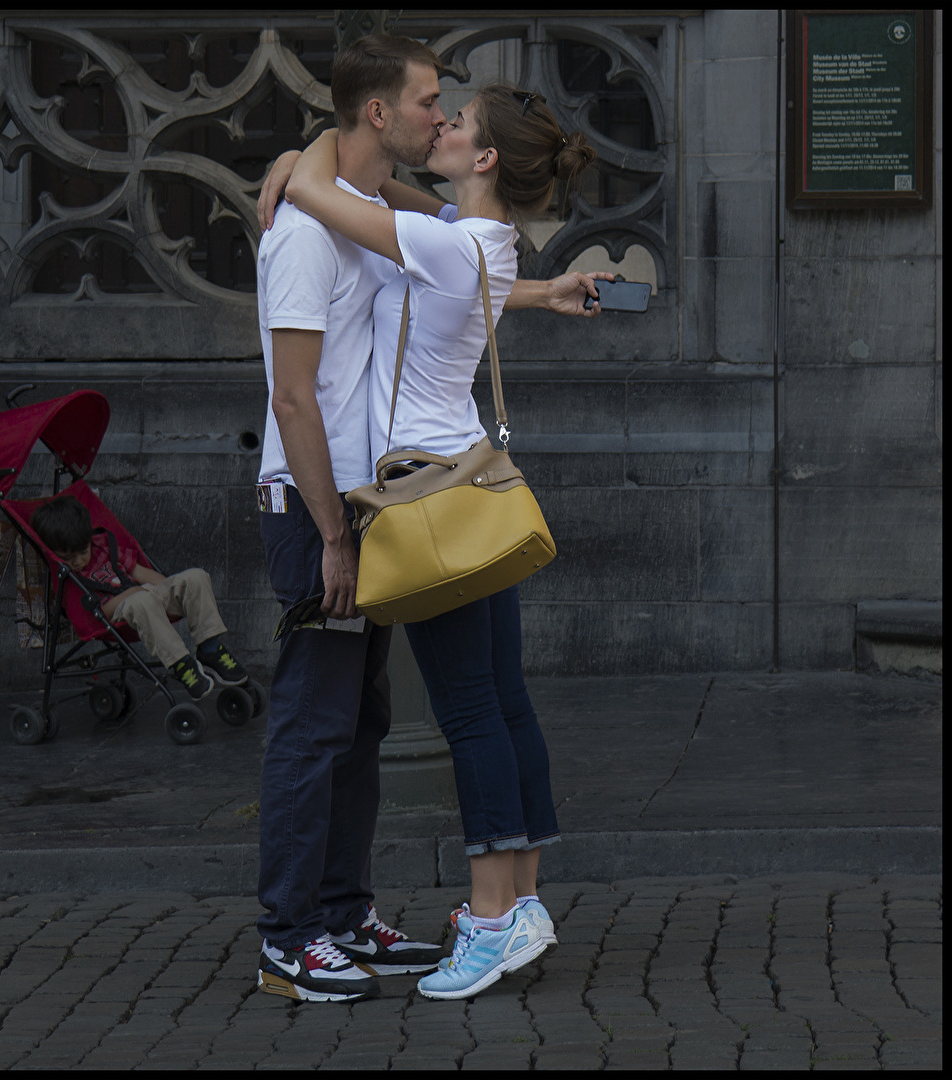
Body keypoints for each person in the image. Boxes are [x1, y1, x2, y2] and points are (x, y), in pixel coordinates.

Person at [252, 34, 612, 1004]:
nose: (439, 118)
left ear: (485, 157)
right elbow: (401, 217)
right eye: (428, 103)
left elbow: (336, 200)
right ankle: (512, 902)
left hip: (423, 496)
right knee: (499, 702)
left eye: (453, 117)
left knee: (463, 713)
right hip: (461, 486)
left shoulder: (448, 242)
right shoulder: (475, 240)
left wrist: (296, 161)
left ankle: (491, 919)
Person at [29, 495, 248, 700]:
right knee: (141, 601)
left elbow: (140, 573)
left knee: (195, 577)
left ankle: (210, 648)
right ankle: (181, 663)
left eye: (82, 552)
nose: (77, 561)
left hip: (144, 596)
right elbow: (95, 615)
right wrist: (132, 593)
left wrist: (169, 590)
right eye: (69, 557)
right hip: (117, 612)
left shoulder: (103, 546)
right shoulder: (70, 577)